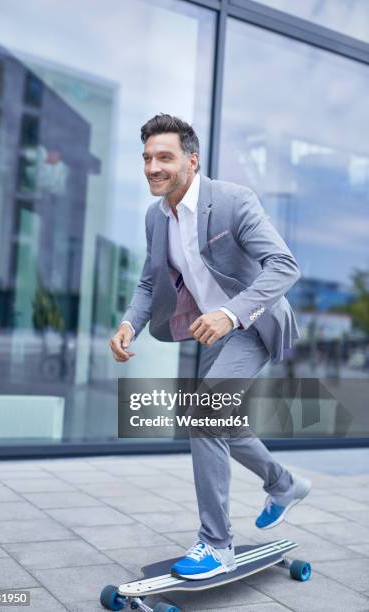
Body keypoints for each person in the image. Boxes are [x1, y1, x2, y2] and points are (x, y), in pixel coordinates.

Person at [109, 114, 311, 580]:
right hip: (207, 330)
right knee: (216, 418)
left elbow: (284, 265)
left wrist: (231, 313)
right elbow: (148, 282)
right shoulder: (154, 217)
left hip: (251, 324)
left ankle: (216, 544)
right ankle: (283, 484)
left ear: (191, 161)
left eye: (165, 157)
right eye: (147, 158)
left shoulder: (233, 201)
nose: (152, 167)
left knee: (203, 414)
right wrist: (128, 324)